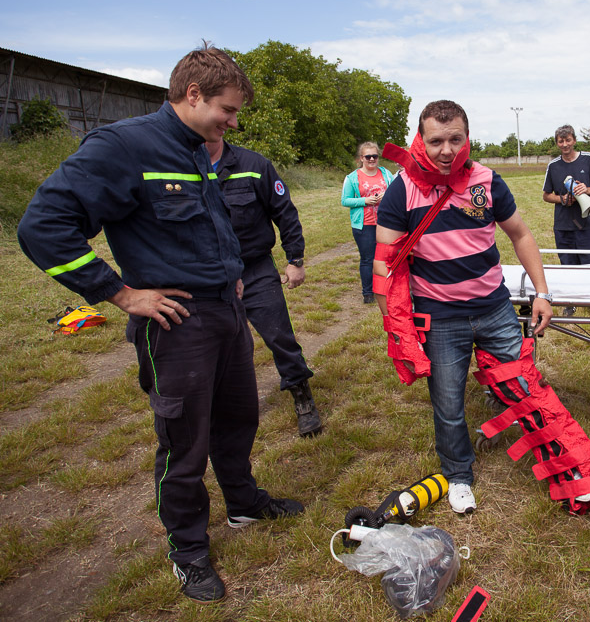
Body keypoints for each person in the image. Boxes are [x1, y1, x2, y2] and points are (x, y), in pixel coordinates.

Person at [17, 44, 304, 603]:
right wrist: (120, 294)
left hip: (226, 311)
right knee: (184, 441)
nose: (233, 122)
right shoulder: (124, 146)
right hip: (177, 324)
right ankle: (188, 548)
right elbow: (42, 226)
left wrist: (230, 275)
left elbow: (205, 227)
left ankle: (243, 503)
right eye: (228, 109)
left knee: (238, 418)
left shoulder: (199, 149)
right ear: (193, 94)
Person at [374, 101, 590, 516]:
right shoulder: (402, 189)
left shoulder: (486, 180)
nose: (446, 150)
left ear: (467, 138)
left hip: (495, 311)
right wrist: (400, 330)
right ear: (421, 140)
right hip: (439, 319)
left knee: (529, 390)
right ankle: (458, 475)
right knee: (448, 406)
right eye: (436, 141)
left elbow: (520, 234)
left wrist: (542, 292)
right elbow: (384, 267)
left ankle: (573, 474)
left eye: (455, 139)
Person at [207, 138, 320, 438]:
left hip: (254, 268)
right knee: (214, 345)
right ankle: (221, 405)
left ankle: (301, 394)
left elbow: (285, 212)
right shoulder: (177, 166)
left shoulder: (254, 165)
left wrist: (295, 259)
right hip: (207, 276)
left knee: (279, 335)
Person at [541, 124, 590, 266]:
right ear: (557, 143)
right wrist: (562, 199)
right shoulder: (553, 166)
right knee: (568, 268)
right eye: (561, 141)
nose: (565, 144)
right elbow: (546, 196)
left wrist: (586, 190)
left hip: (586, 225)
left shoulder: (588, 159)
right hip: (563, 227)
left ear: (574, 140)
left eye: (568, 140)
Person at [342, 141, 394, 304]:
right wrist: (365, 200)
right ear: (361, 158)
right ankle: (368, 293)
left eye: (375, 156)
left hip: (386, 223)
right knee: (367, 259)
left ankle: (388, 288)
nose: (372, 159)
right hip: (364, 224)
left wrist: (387, 196)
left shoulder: (386, 174)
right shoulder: (352, 177)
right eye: (368, 156)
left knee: (388, 257)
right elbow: (345, 200)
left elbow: (396, 192)